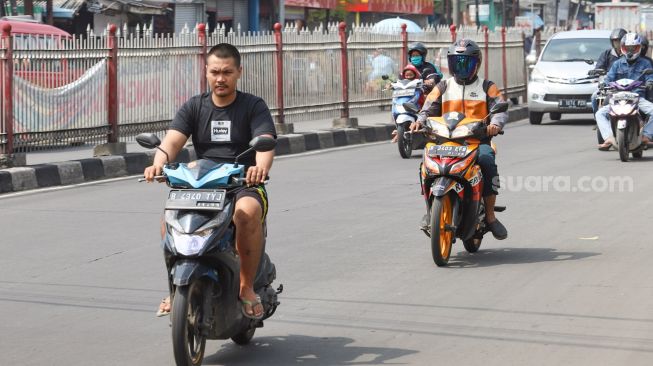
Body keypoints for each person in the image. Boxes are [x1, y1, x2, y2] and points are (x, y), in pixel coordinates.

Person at [144, 43, 277, 319]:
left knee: (247, 213)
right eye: (215, 71)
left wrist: (259, 169)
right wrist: (157, 164)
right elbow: (171, 142)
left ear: (239, 72)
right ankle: (174, 288)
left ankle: (246, 287)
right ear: (206, 72)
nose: (220, 78)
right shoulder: (194, 106)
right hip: (200, 184)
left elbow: (265, 145)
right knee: (167, 219)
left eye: (227, 72)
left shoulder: (253, 106)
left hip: (242, 184)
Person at [409, 39, 508, 240]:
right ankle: (431, 213)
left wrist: (495, 125)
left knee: (488, 160)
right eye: (457, 62)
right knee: (424, 166)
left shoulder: (487, 87)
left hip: (476, 141)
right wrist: (419, 121)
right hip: (444, 142)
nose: (461, 67)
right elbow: (427, 108)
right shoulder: (443, 86)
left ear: (477, 64)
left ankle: (490, 216)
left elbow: (500, 108)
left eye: (466, 63)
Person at [596, 33, 653, 150]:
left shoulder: (645, 63)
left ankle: (646, 135)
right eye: (628, 48)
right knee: (600, 113)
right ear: (623, 48)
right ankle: (609, 138)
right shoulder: (617, 64)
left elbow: (650, 78)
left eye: (634, 48)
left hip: (637, 97)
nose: (630, 51)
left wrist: (649, 83)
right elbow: (608, 79)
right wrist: (603, 84)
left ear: (639, 48)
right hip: (617, 97)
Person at [591, 28, 627, 114]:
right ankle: (599, 121)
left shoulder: (629, 54)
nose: (617, 44)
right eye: (615, 41)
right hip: (610, 85)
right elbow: (599, 68)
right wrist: (598, 73)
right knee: (594, 97)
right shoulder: (606, 54)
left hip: (627, 85)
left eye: (619, 41)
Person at [389, 64, 423, 143]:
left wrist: (427, 84)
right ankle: (399, 132)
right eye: (406, 75)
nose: (408, 76)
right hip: (403, 104)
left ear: (415, 74)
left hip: (416, 104)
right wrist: (390, 86)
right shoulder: (400, 83)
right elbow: (394, 85)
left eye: (410, 74)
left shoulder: (418, 83)